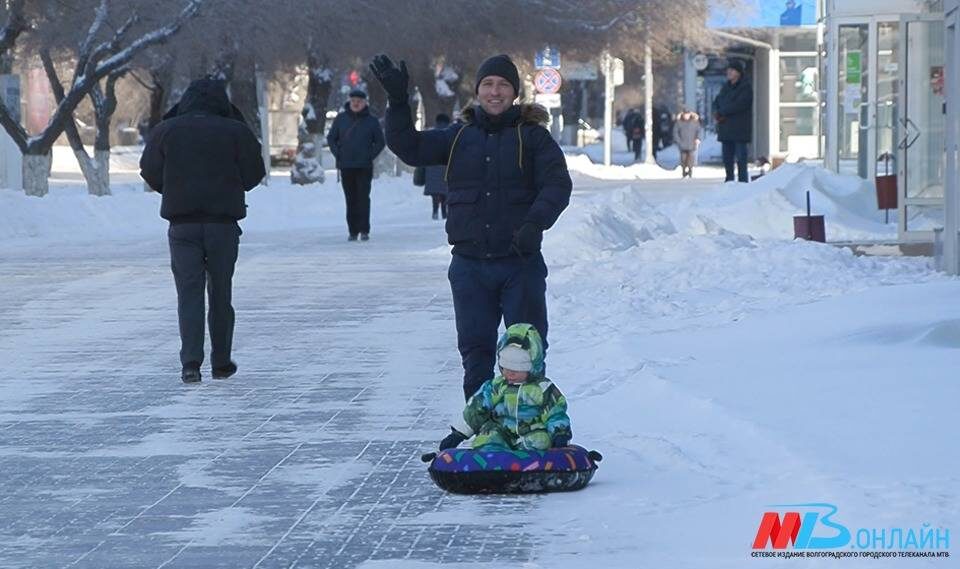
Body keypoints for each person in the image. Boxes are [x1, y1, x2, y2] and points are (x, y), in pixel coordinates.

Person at [370, 53, 573, 400]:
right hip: (469, 266)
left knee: (525, 351)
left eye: (504, 85)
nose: (495, 92)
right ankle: (482, 430)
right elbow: (408, 146)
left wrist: (534, 223)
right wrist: (398, 101)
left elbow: (557, 185)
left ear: (515, 92)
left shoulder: (533, 138)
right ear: (478, 91)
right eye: (488, 84)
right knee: (476, 354)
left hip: (519, 263)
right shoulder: (458, 136)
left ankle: (528, 426)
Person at [140, 78, 265, 383]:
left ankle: (191, 363)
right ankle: (221, 362)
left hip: (182, 226)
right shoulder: (236, 130)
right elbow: (254, 173)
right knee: (221, 293)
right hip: (223, 225)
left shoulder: (167, 130)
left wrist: (174, 189)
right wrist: (231, 185)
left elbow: (149, 169)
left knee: (189, 294)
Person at [438, 324, 572, 451]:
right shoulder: (495, 387)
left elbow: (555, 412)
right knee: (486, 438)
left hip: (531, 432)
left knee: (541, 441)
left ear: (532, 366)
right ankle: (490, 462)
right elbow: (475, 410)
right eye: (506, 368)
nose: (510, 373)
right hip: (502, 432)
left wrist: (560, 433)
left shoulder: (543, 389)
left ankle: (539, 466)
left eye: (518, 369)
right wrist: (458, 434)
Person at [326, 89, 386, 241]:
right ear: (350, 102)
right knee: (350, 198)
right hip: (346, 165)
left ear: (365, 103)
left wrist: (369, 155)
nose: (356, 103)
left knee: (363, 198)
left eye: (359, 101)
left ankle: (364, 230)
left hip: (364, 166)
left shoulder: (371, 121)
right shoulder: (341, 119)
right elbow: (331, 138)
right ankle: (352, 231)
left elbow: (380, 142)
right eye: (353, 101)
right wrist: (337, 154)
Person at [712, 60, 753, 183]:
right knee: (727, 159)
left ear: (739, 73)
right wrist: (716, 112)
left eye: (732, 70)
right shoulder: (725, 87)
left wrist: (722, 111)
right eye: (728, 69)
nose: (729, 72)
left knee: (741, 159)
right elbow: (717, 102)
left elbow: (739, 104)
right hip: (726, 129)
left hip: (739, 130)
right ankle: (729, 181)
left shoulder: (746, 87)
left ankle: (742, 183)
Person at [423, 113, 451, 220]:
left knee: (435, 192)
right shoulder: (450, 133)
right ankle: (444, 212)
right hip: (446, 166)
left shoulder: (430, 133)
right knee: (445, 192)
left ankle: (435, 211)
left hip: (432, 167)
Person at [673, 108, 701, 178]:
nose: (686, 116)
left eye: (687, 114)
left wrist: (697, 138)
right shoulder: (679, 122)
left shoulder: (694, 122)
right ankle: (683, 171)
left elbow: (698, 131)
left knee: (691, 159)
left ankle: (690, 171)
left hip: (692, 144)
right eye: (685, 114)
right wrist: (678, 141)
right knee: (683, 159)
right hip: (682, 144)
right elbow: (675, 132)